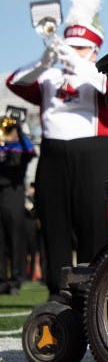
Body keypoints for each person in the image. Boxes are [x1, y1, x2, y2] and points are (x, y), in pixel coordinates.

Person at [6, 0, 108, 297]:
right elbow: (15, 81)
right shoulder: (50, 77)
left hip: (95, 153)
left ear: (94, 49)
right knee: (54, 225)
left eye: (81, 47)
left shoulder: (99, 71)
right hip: (54, 156)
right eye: (70, 47)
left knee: (94, 226)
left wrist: (79, 64)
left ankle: (98, 291)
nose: (73, 52)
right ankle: (58, 294)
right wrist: (45, 61)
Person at [0, 116, 36, 294]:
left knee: (15, 239)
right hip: (1, 195)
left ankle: (16, 279)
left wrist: (19, 130)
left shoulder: (20, 150)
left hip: (14, 196)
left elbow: (30, 151)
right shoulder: (3, 149)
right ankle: (2, 280)